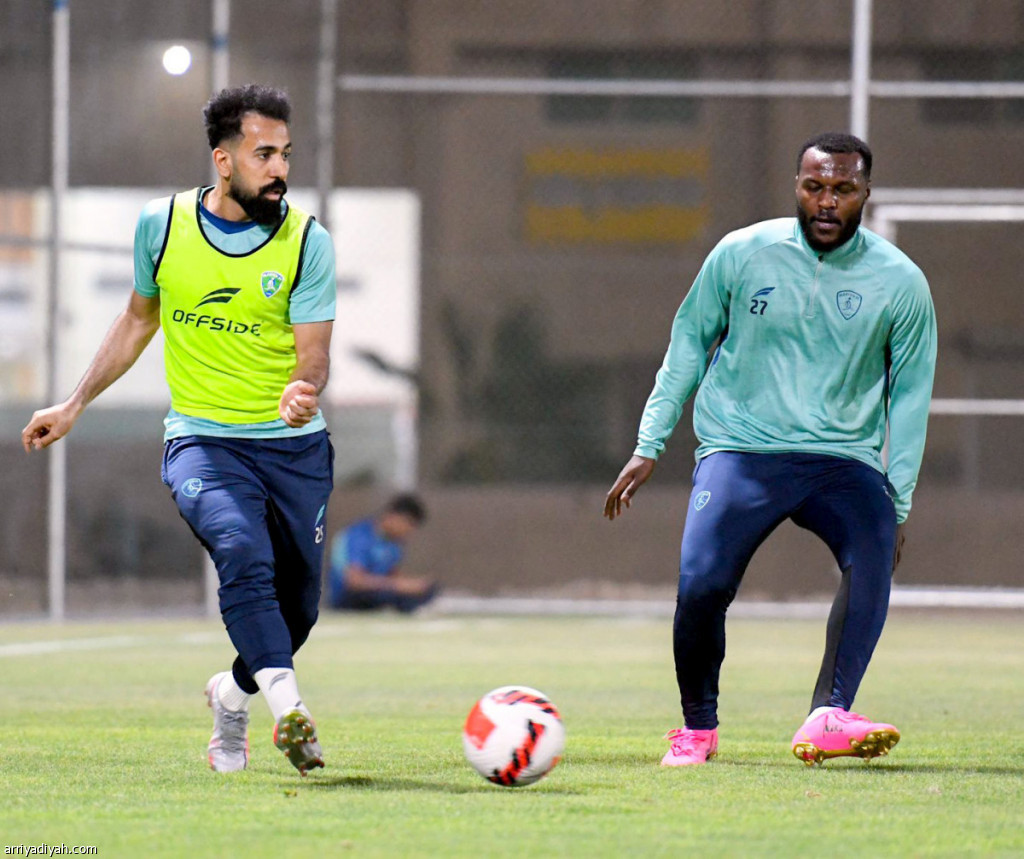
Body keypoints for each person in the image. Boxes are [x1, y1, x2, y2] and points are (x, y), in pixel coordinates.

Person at [22, 84, 337, 777]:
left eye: (285, 154)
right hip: (203, 440)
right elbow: (139, 320)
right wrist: (73, 403)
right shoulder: (161, 226)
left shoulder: (307, 241)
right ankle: (290, 711)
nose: (280, 169)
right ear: (223, 160)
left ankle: (231, 694)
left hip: (293, 450)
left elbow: (314, 352)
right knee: (240, 549)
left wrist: (303, 387)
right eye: (263, 154)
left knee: (298, 612)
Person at [604, 132, 937, 767]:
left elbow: (911, 395)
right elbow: (688, 341)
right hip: (741, 449)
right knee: (701, 585)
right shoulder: (741, 253)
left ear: (866, 192)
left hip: (842, 460)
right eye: (815, 186)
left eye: (843, 189)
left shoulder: (901, 282)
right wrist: (650, 442)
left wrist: (897, 501)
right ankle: (698, 728)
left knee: (872, 554)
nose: (827, 201)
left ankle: (830, 713)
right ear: (797, 186)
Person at [326, 493, 439, 613]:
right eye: (409, 524)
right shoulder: (359, 535)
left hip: (379, 593)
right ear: (393, 516)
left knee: (429, 589)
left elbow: (392, 575)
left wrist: (414, 586)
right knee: (389, 594)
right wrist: (400, 585)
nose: (409, 532)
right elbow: (355, 581)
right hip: (348, 597)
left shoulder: (395, 544)